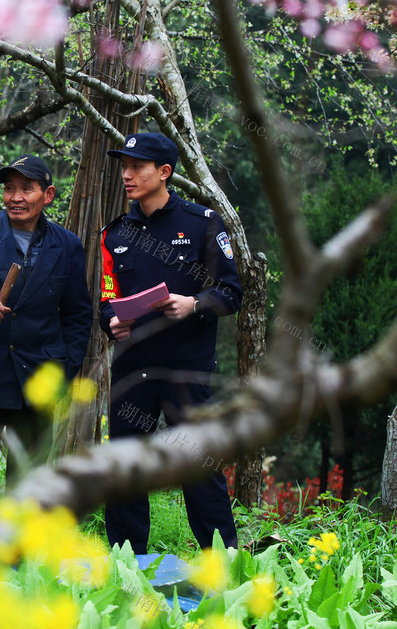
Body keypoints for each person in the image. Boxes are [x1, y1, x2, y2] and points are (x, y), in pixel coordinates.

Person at [99, 132, 243, 552]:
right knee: (124, 468)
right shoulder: (115, 234)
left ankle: (223, 565)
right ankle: (126, 567)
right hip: (132, 370)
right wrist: (111, 322)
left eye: (137, 166)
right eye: (124, 166)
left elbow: (231, 293)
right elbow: (107, 298)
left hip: (187, 370)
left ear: (164, 172)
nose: (127, 175)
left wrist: (194, 303)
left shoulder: (202, 223)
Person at [0, 154, 93, 527]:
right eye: (9, 188)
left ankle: (19, 567)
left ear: (48, 194)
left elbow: (77, 314)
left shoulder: (67, 245)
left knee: (27, 484)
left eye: (26, 188)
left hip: (38, 381)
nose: (15, 197)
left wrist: (64, 369)